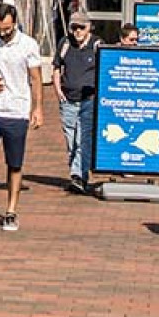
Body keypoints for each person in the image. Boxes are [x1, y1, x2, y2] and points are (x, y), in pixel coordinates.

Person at [0, 4, 43, 233]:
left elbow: (35, 78)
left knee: (14, 164)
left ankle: (11, 211)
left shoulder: (28, 44)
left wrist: (37, 108)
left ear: (15, 23)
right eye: (0, 28)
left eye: (8, 29)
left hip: (17, 111)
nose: (4, 33)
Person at [53, 10, 99, 194]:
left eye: (82, 27)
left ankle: (78, 175)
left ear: (89, 27)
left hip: (88, 99)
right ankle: (79, 175)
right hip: (68, 100)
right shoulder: (65, 43)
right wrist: (57, 90)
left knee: (83, 139)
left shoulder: (97, 45)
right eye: (74, 27)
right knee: (71, 140)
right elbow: (57, 67)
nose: (78, 31)